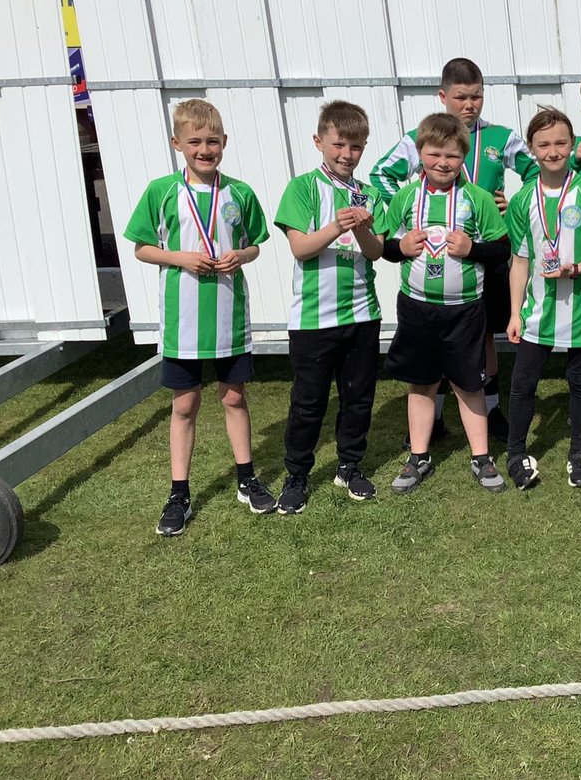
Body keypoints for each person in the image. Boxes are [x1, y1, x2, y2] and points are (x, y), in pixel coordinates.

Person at [370, 58, 539, 445]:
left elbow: (537, 173)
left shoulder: (501, 137)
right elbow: (381, 173)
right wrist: (408, 208)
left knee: (482, 336)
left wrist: (511, 205)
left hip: (482, 250)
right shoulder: (421, 136)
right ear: (443, 96)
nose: (469, 105)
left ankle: (491, 409)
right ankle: (438, 418)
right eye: (460, 97)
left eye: (476, 96)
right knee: (435, 340)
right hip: (433, 257)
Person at [123, 98, 272, 535]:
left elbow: (255, 244)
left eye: (212, 141)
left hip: (228, 315)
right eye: (195, 142)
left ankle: (246, 477)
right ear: (177, 144)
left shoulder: (239, 192)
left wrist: (239, 256)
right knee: (185, 404)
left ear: (224, 142)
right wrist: (180, 258)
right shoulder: (161, 191)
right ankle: (179, 492)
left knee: (234, 397)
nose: (204, 149)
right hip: (182, 320)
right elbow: (141, 247)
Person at [379, 113, 512, 494]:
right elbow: (387, 247)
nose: (443, 163)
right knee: (421, 383)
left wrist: (473, 249)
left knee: (469, 383)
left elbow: (501, 248)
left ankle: (481, 456)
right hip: (417, 306)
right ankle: (418, 455)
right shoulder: (406, 196)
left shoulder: (477, 199)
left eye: (452, 156)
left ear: (463, 156)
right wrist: (398, 249)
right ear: (420, 152)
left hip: (466, 308)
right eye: (434, 153)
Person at [272, 100, 386, 515]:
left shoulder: (368, 192)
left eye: (355, 147)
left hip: (362, 313)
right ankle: (297, 475)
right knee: (308, 402)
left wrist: (364, 229)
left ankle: (350, 465)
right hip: (313, 318)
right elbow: (301, 249)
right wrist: (337, 225)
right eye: (339, 144)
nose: (346, 154)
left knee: (358, 397)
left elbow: (375, 253)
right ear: (319, 142)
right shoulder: (302, 188)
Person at [504, 107, 581, 490]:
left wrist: (575, 269)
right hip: (537, 310)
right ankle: (515, 452)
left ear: (572, 145)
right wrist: (514, 314)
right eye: (544, 144)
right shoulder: (524, 199)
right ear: (532, 149)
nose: (552, 151)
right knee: (523, 383)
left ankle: (579, 454)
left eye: (559, 142)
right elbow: (520, 260)